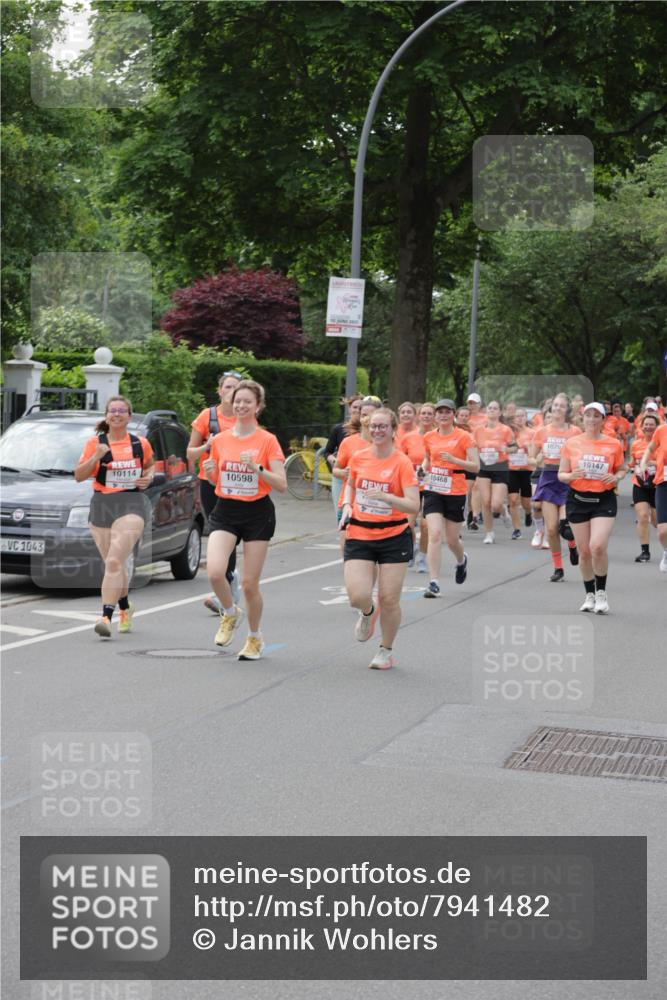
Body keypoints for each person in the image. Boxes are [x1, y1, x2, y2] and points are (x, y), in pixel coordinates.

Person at [202, 380, 286, 659]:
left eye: (247, 401)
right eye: (237, 400)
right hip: (225, 509)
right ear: (230, 402)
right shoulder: (221, 439)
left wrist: (257, 468)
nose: (241, 405)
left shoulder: (267, 440)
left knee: (249, 585)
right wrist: (212, 472)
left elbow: (282, 484)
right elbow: (217, 481)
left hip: (257, 513)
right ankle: (229, 612)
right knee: (215, 572)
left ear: (258, 406)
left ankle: (254, 637)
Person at [340, 407, 419, 670]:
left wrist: (387, 497)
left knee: (389, 598)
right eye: (373, 426)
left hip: (394, 535)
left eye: (383, 426)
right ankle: (367, 613)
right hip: (360, 532)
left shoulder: (402, 463)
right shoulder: (359, 457)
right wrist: (348, 505)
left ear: (393, 429)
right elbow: (351, 484)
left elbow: (413, 505)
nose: (377, 431)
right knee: (357, 595)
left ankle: (386, 650)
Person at [75, 395, 155, 638]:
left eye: (122, 411)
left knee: (113, 562)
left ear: (129, 416)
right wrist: (96, 456)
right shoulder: (94, 443)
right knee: (114, 563)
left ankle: (105, 618)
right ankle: (125, 607)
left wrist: (149, 477)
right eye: (113, 411)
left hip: (132, 503)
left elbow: (150, 465)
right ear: (107, 416)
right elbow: (79, 476)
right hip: (102, 505)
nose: (117, 414)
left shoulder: (140, 444)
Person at [558, 402, 627, 613]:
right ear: (583, 418)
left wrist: (615, 477)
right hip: (578, 499)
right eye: (588, 415)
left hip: (603, 499)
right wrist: (571, 476)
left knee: (597, 546)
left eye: (596, 416)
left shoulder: (613, 444)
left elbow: (623, 469)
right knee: (584, 552)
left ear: (603, 420)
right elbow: (561, 474)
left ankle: (601, 594)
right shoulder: (571, 443)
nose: (592, 419)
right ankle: (589, 594)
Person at [188, 370, 243, 613]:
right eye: (228, 387)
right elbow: (190, 453)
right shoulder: (207, 417)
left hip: (235, 484)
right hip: (210, 483)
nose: (231, 392)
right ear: (220, 391)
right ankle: (228, 585)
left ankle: (230, 581)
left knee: (232, 536)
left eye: (236, 388)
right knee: (219, 534)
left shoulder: (245, 418)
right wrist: (207, 446)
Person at [420, 399, 479, 597]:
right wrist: (423, 467)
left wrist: (455, 460)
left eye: (447, 412)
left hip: (456, 489)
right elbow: (428, 459)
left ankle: (461, 560)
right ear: (435, 416)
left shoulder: (465, 437)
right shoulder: (428, 437)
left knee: (452, 540)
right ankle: (434, 582)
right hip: (434, 488)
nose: (443, 415)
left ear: (453, 414)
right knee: (434, 533)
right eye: (440, 412)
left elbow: (475, 466)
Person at [529, 392, 581, 580]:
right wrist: (537, 459)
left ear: (567, 410)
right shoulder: (542, 432)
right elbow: (531, 458)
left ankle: (573, 544)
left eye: (561, 406)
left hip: (567, 479)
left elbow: (581, 453)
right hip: (549, 479)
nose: (558, 408)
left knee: (566, 528)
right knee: (551, 529)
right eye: (555, 405)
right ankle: (558, 568)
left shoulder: (575, 432)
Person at [332, 396, 380, 550]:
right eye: (364, 415)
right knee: (346, 547)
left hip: (374, 504)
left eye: (370, 415)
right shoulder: (348, 442)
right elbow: (336, 470)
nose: (366, 418)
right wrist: (344, 473)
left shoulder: (385, 443)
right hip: (348, 501)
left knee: (370, 551)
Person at [473, 400, 516, 543]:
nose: (491, 410)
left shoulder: (505, 429)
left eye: (495, 408)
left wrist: (507, 449)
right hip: (484, 467)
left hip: (500, 466)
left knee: (495, 504)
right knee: (485, 502)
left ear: (499, 412)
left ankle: (503, 511)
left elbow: (515, 447)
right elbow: (473, 447)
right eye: (489, 408)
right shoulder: (478, 430)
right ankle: (489, 533)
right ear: (486, 411)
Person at [322, 394, 362, 516]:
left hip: (361, 478)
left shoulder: (370, 430)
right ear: (350, 408)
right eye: (355, 407)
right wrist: (336, 463)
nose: (357, 410)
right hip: (341, 476)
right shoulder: (339, 429)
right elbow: (327, 451)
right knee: (340, 511)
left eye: (361, 408)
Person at [638, 410, 667, 573]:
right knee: (663, 530)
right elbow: (650, 448)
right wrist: (643, 463)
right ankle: (666, 551)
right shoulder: (662, 430)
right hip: (664, 482)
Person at [629, 411, 660, 562]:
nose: (648, 427)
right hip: (639, 484)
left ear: (657, 427)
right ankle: (645, 552)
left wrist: (648, 463)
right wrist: (634, 467)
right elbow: (631, 463)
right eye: (646, 425)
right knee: (642, 517)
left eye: (651, 425)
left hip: (657, 485)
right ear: (641, 427)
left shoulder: (661, 444)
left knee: (656, 522)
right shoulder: (635, 444)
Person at [507, 407, 534, 539]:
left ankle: (528, 513)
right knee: (512, 500)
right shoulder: (509, 432)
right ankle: (516, 529)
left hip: (526, 470)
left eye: (522, 416)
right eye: (517, 416)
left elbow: (536, 451)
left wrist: (528, 448)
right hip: (512, 469)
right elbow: (502, 449)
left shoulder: (532, 433)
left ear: (525, 417)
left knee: (526, 503)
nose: (519, 418)